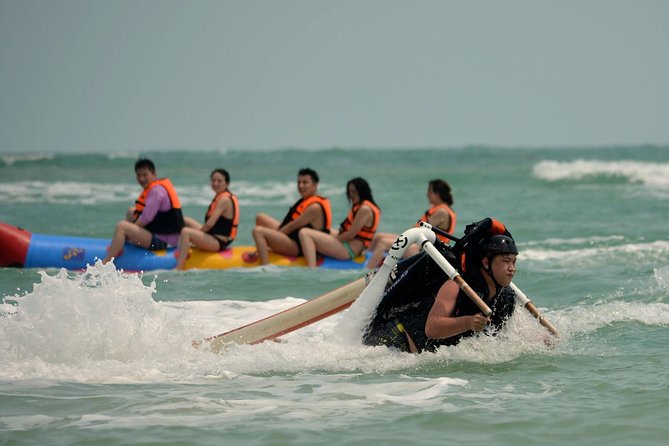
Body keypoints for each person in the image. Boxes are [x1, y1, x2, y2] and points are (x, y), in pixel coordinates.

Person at [362, 218, 517, 353]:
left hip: (415, 359)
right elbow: (432, 328)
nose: (512, 268)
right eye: (506, 261)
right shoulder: (456, 283)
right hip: (395, 339)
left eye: (513, 262)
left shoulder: (504, 295)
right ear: (486, 263)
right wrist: (468, 322)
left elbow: (507, 335)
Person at [102, 158, 184, 264]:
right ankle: (122, 242)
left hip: (164, 242)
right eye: (139, 175)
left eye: (145, 175)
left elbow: (146, 218)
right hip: (163, 235)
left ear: (153, 173)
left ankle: (107, 262)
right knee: (131, 211)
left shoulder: (156, 191)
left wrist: (130, 231)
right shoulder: (157, 187)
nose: (141, 179)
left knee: (122, 226)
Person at [366, 179, 456, 269]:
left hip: (423, 250)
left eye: (430, 192)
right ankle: (363, 259)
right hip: (416, 243)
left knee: (383, 243)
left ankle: (366, 270)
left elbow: (421, 232)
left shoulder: (442, 212)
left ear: (438, 194)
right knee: (379, 236)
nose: (427, 195)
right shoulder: (439, 208)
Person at [251, 168, 332, 265]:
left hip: (297, 246)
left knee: (258, 231)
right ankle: (263, 247)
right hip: (292, 237)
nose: (301, 186)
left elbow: (290, 227)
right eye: (299, 182)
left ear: (315, 185)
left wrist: (270, 240)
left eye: (305, 182)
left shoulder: (314, 207)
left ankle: (265, 266)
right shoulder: (306, 200)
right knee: (260, 217)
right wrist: (272, 237)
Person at [298, 177, 381, 268]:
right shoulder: (365, 206)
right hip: (350, 246)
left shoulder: (364, 209)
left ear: (362, 191)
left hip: (349, 250)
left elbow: (350, 234)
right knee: (326, 230)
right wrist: (328, 237)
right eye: (349, 192)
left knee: (304, 232)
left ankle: (311, 268)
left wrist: (333, 240)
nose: (351, 194)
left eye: (354, 191)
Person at [175, 168, 240, 270]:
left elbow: (209, 224)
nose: (215, 183)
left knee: (186, 232)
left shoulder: (224, 200)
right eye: (213, 180)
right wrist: (198, 235)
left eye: (219, 181)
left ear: (227, 184)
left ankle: (178, 268)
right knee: (185, 220)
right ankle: (179, 246)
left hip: (218, 242)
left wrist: (196, 236)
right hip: (212, 235)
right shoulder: (220, 196)